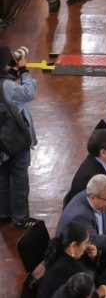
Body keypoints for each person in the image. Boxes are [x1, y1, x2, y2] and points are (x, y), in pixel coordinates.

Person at [0, 46, 39, 229]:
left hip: (2, 140)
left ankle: (4, 213)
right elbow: (29, 93)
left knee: (2, 175)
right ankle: (21, 218)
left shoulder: (5, 84)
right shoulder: (8, 86)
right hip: (15, 138)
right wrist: (23, 70)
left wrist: (10, 74)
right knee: (19, 177)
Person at [37, 222, 100, 298]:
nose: (88, 246)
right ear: (73, 245)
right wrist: (98, 293)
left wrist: (91, 257)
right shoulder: (66, 270)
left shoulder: (63, 251)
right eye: (85, 243)